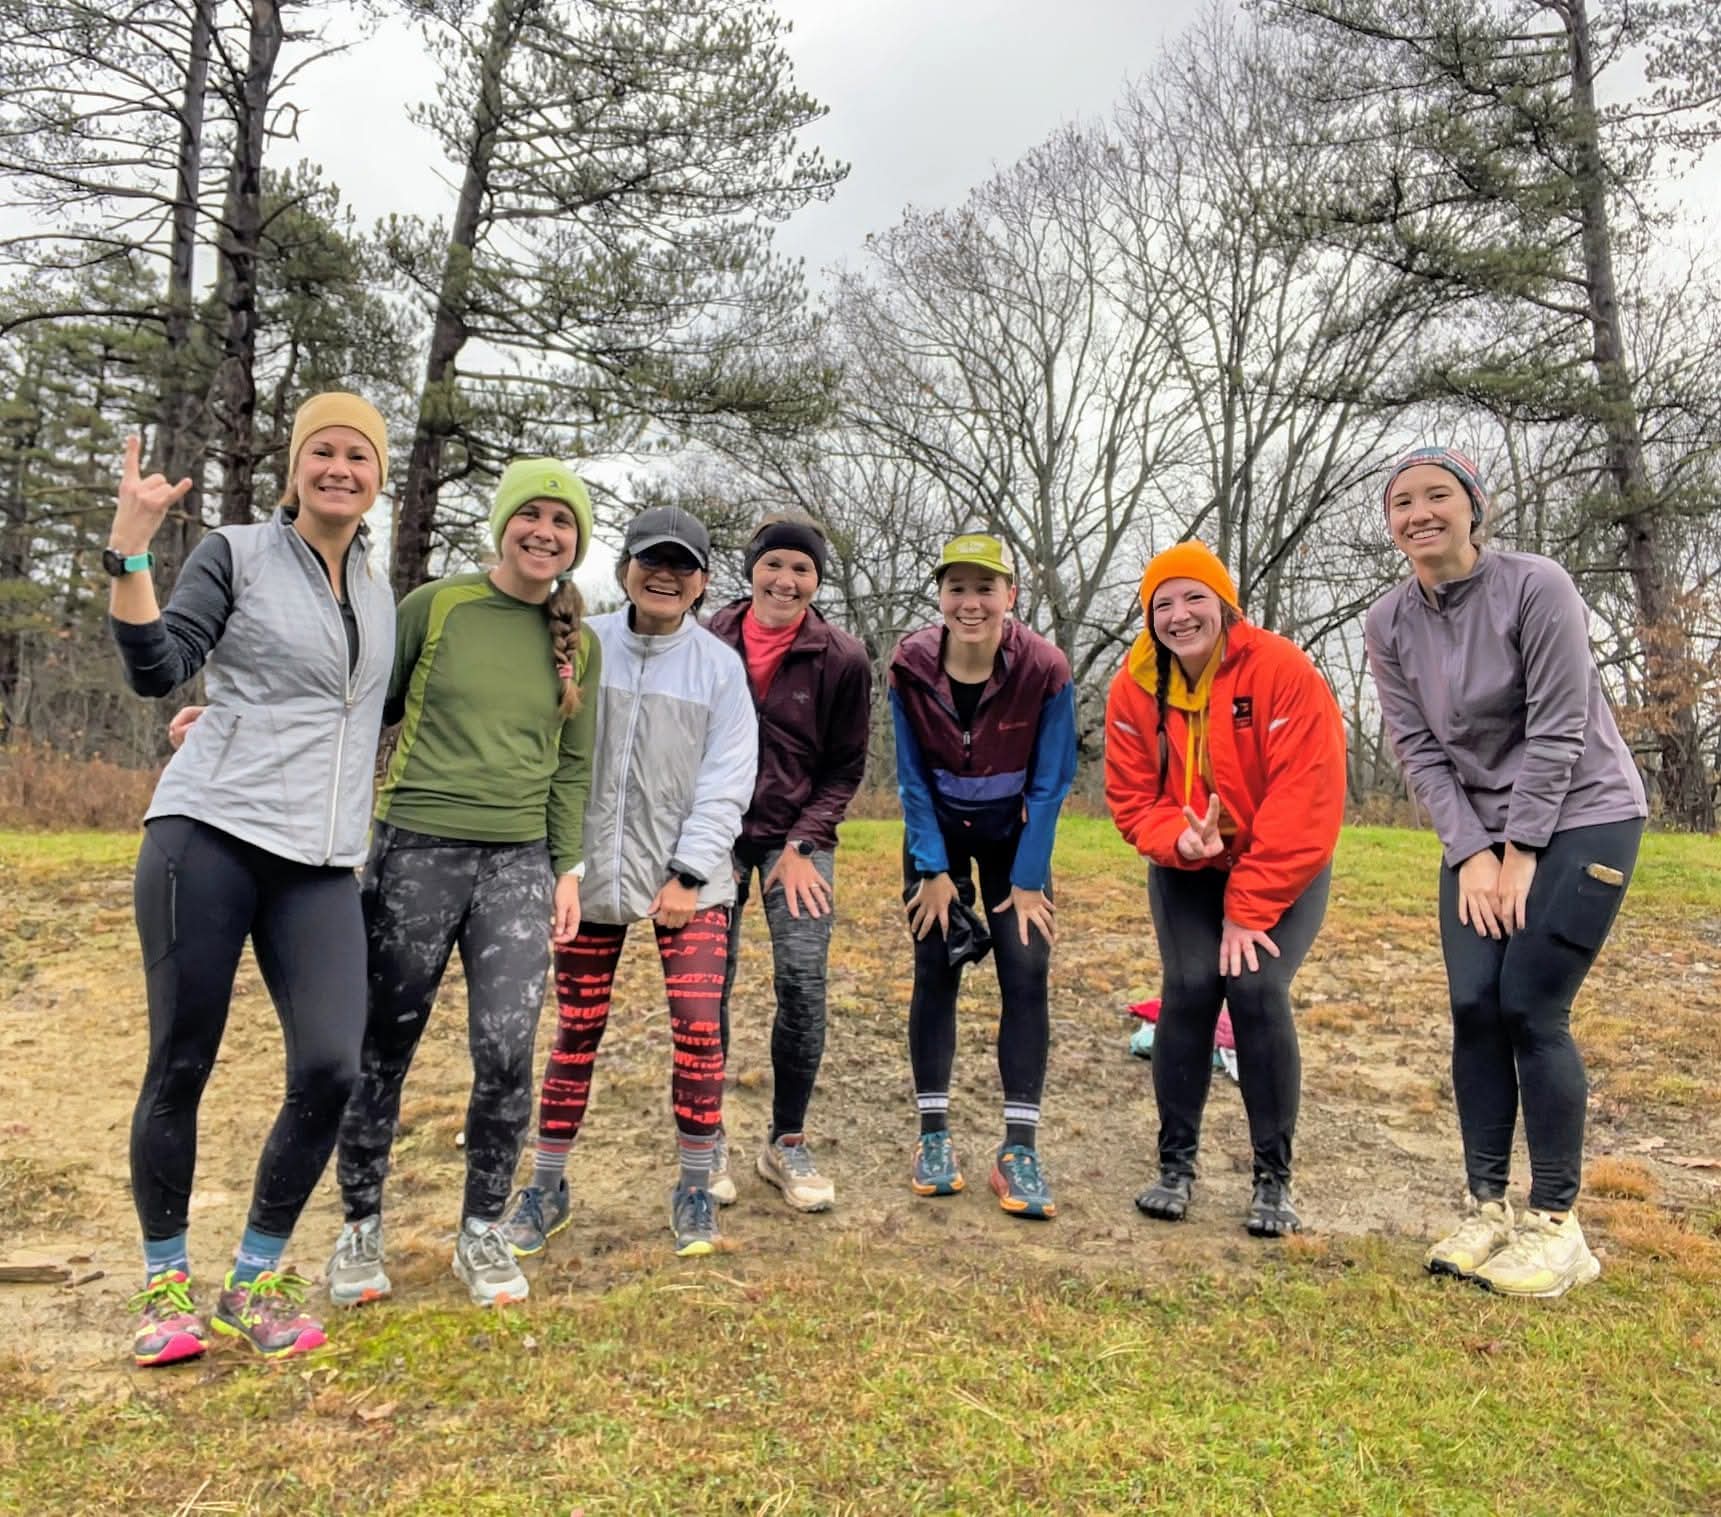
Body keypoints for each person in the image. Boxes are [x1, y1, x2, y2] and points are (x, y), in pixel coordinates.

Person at [111, 393, 395, 1364]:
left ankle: (254, 1280)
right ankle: (164, 1286)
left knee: (331, 1065)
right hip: (210, 835)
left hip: (319, 861)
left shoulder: (380, 591)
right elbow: (160, 666)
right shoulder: (234, 553)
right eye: (323, 450)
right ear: (295, 465)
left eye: (358, 455)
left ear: (378, 475)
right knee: (181, 1062)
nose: (339, 468)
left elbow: (368, 709)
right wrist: (130, 552)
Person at [1365, 446, 1647, 1297]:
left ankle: (1556, 1226)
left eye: (1437, 495)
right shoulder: (1387, 622)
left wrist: (1519, 851)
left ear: (1473, 507)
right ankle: (1484, 1208)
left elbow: (1560, 724)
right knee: (1473, 1005)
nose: (1419, 513)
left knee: (1529, 1003)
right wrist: (1471, 851)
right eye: (1401, 502)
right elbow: (1418, 749)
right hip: (1478, 835)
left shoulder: (1536, 586)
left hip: (1585, 812)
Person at [319, 460, 602, 1311]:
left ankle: (482, 1227)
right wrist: (237, 723)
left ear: (577, 540)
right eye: (531, 515)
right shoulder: (436, 606)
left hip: (517, 866)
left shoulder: (579, 643)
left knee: (506, 1051)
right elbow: (359, 707)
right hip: (415, 851)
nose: (544, 532)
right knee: (383, 1046)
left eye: (562, 520)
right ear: (502, 523)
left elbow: (571, 769)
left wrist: (567, 869)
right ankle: (359, 1225)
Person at [504, 506, 757, 1258]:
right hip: (586, 880)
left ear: (702, 582)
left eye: (682, 566)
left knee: (699, 1026)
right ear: (624, 570)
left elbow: (727, 782)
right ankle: (546, 1185)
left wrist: (688, 873)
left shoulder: (719, 668)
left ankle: (694, 1186)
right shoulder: (584, 647)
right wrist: (564, 864)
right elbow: (548, 750)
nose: (665, 576)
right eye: (652, 560)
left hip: (690, 884)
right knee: (575, 1028)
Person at [1105, 542, 1345, 1237]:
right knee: (1187, 986)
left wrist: (1248, 907)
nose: (1179, 615)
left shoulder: (1281, 670)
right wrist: (1177, 841)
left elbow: (1307, 799)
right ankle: (1174, 1166)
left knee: (1256, 988)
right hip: (1188, 865)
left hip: (1280, 863)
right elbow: (1131, 797)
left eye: (1194, 598)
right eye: (1163, 604)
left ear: (1224, 604)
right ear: (1149, 618)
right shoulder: (1133, 687)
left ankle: (1273, 1178)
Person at [887, 531, 1077, 1219]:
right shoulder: (909, 664)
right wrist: (932, 869)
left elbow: (1051, 782)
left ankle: (1017, 1148)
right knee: (935, 962)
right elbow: (910, 777)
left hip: (1014, 837)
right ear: (940, 596)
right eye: (956, 588)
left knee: (1024, 969)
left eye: (985, 588)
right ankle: (932, 1135)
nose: (970, 602)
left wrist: (1026, 881)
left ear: (1010, 596)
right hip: (936, 833)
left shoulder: (1045, 667)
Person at [706, 512, 872, 1212]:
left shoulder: (843, 658)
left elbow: (844, 768)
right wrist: (696, 837)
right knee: (705, 985)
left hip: (797, 837)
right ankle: (704, 1137)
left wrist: (804, 843)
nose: (785, 578)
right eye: (773, 563)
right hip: (714, 830)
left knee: (803, 983)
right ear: (752, 569)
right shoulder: (706, 636)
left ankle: (787, 1140)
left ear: (816, 580)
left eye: (801, 568)